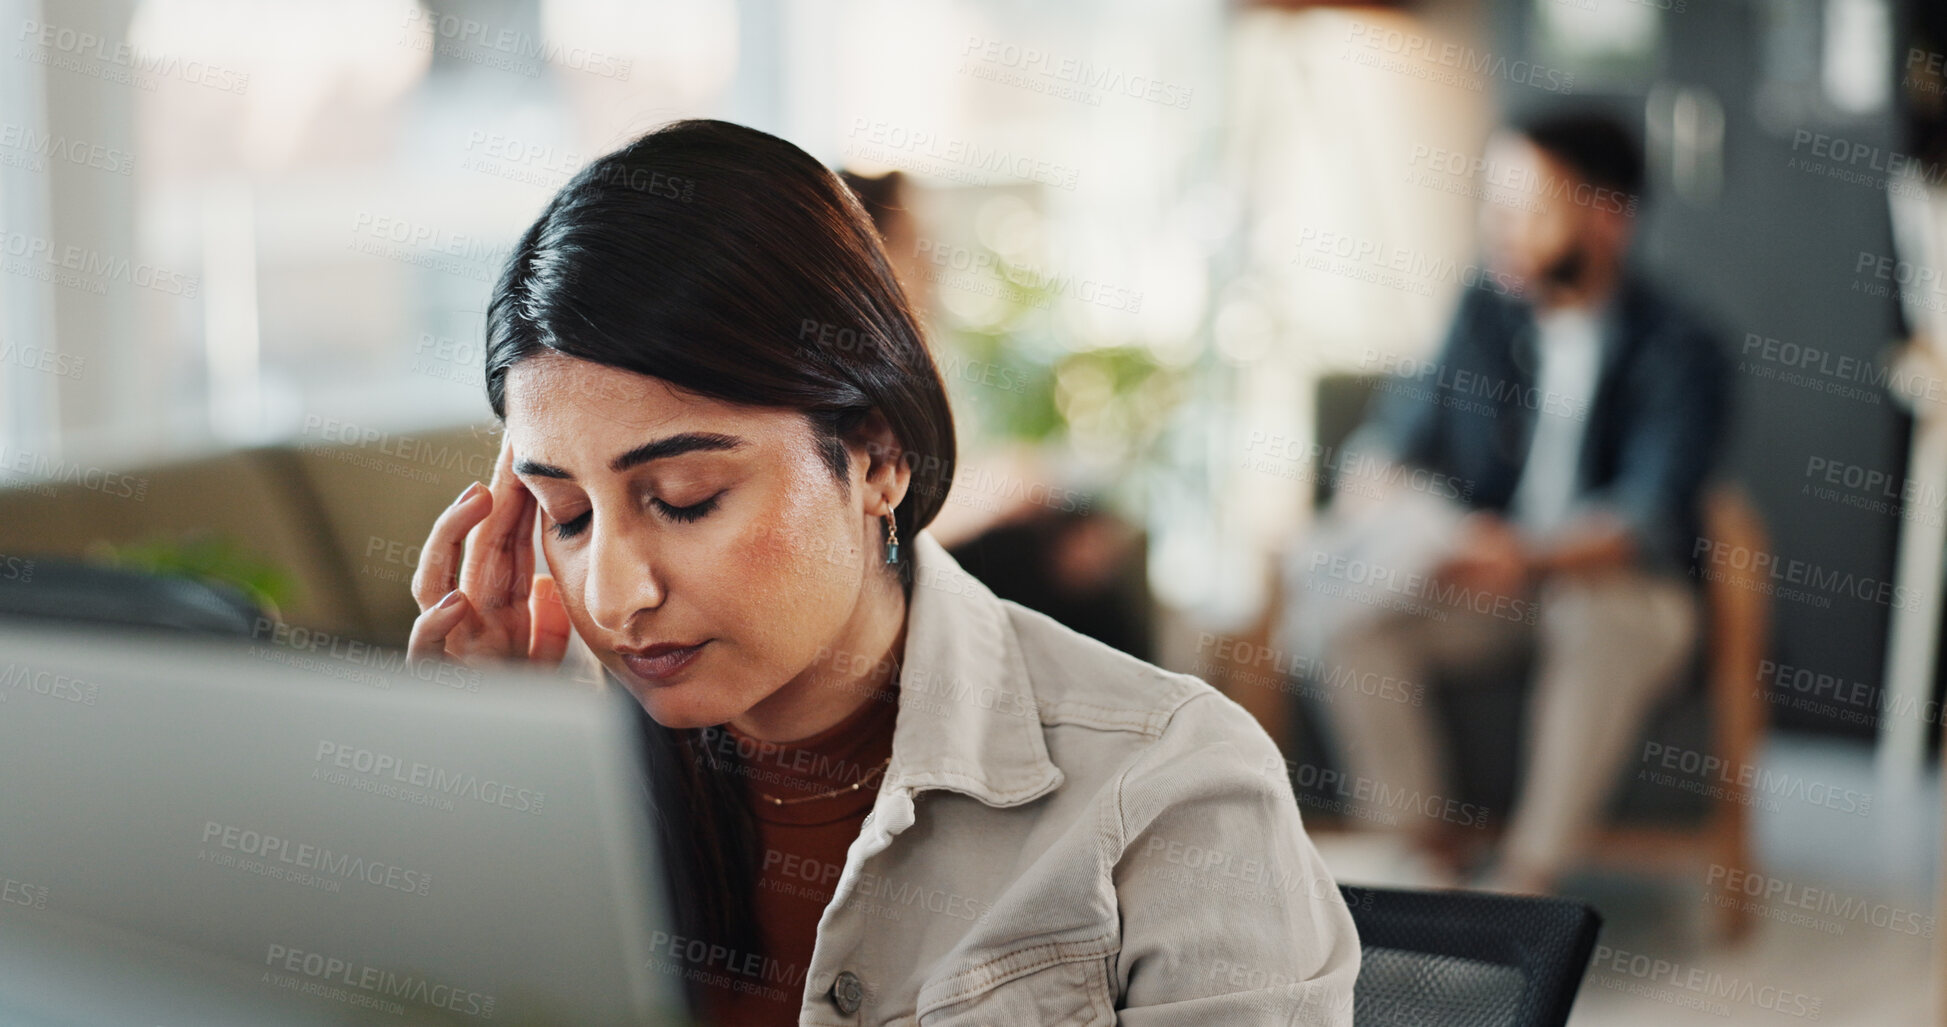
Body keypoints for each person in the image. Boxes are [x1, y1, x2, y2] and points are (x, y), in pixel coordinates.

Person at [406, 119, 1358, 1025]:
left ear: (877, 455)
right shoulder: (568, 786)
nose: (615, 596)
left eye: (686, 497)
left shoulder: (1168, 788)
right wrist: (490, 791)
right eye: (567, 515)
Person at [1285, 109, 1730, 896]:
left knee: (1597, 615)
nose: (1502, 230)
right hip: (1493, 587)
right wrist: (1378, 476)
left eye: (1528, 209)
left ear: (1607, 217)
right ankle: (1425, 858)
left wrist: (1523, 555)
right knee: (1348, 622)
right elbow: (1405, 425)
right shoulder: (1484, 311)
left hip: (1621, 593)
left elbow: (1648, 513)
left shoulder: (1681, 347)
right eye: (1494, 207)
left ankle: (1526, 879)